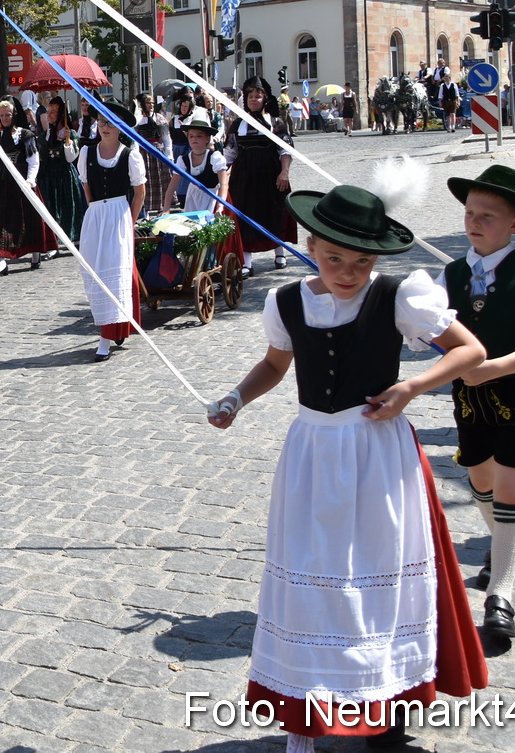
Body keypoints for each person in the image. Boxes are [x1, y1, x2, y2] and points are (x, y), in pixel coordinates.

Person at [207, 183, 488, 750]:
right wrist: (236, 398)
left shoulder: (400, 294)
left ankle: (387, 703)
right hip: (312, 453)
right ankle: (304, 714)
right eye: (334, 257)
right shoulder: (285, 302)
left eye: (362, 261)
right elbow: (272, 365)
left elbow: (470, 352)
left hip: (378, 453)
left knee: (378, 575)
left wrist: (411, 386)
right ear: (311, 244)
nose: (348, 272)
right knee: (312, 577)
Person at [438, 167, 515, 641]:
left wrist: (489, 368)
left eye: (487, 216)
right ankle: (506, 543)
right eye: (470, 213)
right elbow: (423, 323)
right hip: (469, 400)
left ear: (514, 223)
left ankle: (501, 596)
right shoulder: (451, 273)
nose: (474, 222)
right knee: (481, 481)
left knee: (512, 487)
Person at [77, 106, 146, 361]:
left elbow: (140, 192)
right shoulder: (87, 153)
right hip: (96, 216)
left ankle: (104, 340)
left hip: (119, 215)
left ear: (121, 129)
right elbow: (86, 187)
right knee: (95, 272)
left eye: (111, 124)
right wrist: (95, 212)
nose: (105, 128)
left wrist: (129, 220)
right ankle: (115, 324)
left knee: (114, 273)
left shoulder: (129, 155)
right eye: (102, 122)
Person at [225, 76, 295, 275]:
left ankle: (279, 252)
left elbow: (285, 150)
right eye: (250, 96)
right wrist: (222, 175)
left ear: (265, 99)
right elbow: (229, 153)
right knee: (245, 214)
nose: (253, 99)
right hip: (244, 177)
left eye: (257, 96)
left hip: (271, 174)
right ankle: (246, 261)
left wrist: (284, 172)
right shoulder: (238, 124)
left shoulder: (276, 122)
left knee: (274, 211)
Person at [0, 99, 49, 275]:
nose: (5, 118)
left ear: (14, 116)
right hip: (3, 183)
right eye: (2, 115)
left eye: (8, 115)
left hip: (23, 181)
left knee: (30, 218)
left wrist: (30, 181)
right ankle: (1, 260)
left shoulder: (25, 135)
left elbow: (33, 161)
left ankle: (35, 254)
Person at [36, 96, 83, 249]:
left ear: (61, 114)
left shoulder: (70, 133)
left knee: (69, 206)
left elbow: (70, 158)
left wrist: (68, 140)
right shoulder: (45, 136)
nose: (48, 115)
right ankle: (52, 241)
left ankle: (73, 238)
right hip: (48, 176)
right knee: (50, 207)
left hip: (65, 175)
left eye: (53, 112)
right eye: (48, 112)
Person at [176, 111, 229, 213]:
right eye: (191, 136)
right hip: (193, 197)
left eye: (199, 136)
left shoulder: (215, 157)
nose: (194, 139)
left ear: (207, 138)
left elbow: (224, 184)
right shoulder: (184, 159)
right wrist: (166, 209)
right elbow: (172, 186)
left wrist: (220, 206)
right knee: (193, 225)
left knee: (210, 223)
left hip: (213, 197)